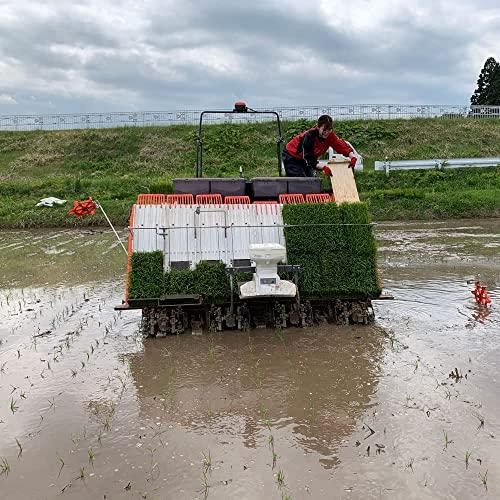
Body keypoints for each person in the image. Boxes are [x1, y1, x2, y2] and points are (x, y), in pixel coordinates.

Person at [282, 115, 357, 177]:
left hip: (305, 159)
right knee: (300, 181)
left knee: (311, 180)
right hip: (292, 155)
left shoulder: (330, 136)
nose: (327, 132)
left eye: (329, 129)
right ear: (318, 127)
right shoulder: (310, 136)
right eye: (324, 130)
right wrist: (323, 167)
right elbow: (309, 158)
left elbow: (340, 145)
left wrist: (352, 156)